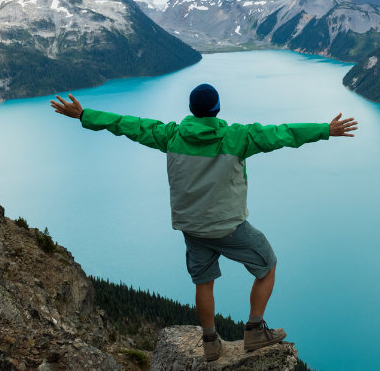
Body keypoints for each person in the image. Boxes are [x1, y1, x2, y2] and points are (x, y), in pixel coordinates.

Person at [50, 83, 357, 361]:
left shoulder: (170, 135)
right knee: (268, 264)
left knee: (203, 281)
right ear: (217, 109)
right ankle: (254, 329)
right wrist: (325, 130)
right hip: (229, 227)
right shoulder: (238, 137)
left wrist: (84, 114)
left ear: (192, 110)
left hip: (191, 227)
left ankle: (210, 341)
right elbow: (283, 133)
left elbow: (127, 125)